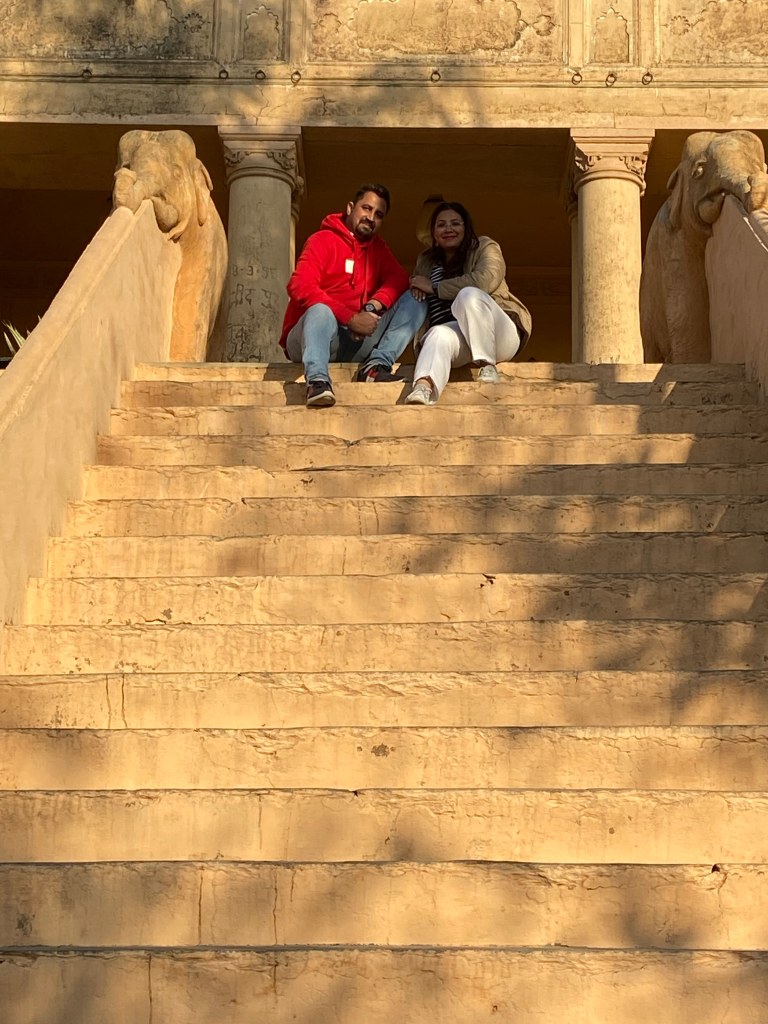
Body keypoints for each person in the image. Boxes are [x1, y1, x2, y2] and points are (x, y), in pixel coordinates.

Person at [280, 183, 427, 407]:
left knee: (416, 298)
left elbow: (398, 278)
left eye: (379, 214)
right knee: (320, 310)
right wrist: (350, 318)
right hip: (311, 338)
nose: (371, 217)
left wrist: (371, 308)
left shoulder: (378, 248)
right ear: (350, 208)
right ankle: (317, 381)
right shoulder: (322, 240)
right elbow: (299, 285)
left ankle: (375, 368)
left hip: (357, 341)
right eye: (366, 208)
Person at [404, 201, 532, 405]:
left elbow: (486, 280)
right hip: (460, 339)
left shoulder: (484, 247)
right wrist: (416, 285)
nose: (448, 229)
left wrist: (435, 287)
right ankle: (423, 388)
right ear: (433, 233)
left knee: (468, 295)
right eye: (441, 225)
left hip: (498, 335)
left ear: (466, 227)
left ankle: (487, 365)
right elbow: (417, 288)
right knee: (437, 333)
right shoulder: (426, 261)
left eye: (455, 223)